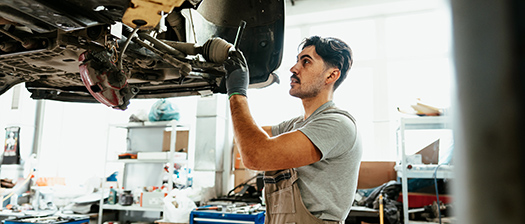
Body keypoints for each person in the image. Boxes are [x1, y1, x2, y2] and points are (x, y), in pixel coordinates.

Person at [224, 36, 362, 224]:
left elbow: (254, 154)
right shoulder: (295, 125)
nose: (293, 68)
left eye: (306, 62)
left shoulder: (337, 124)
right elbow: (246, 137)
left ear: (331, 75)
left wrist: (237, 92)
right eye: (297, 60)